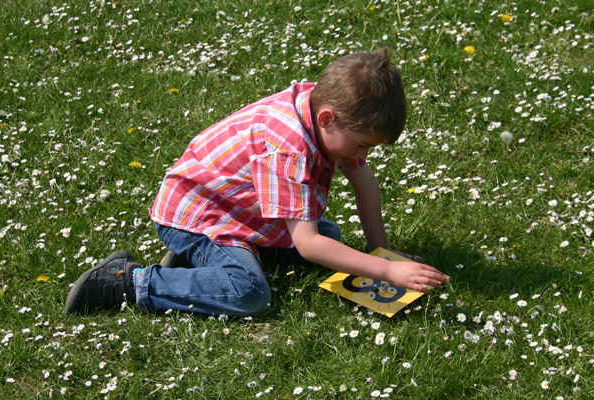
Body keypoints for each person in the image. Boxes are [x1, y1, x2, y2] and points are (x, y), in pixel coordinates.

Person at [65, 49, 449, 316]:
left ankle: (196, 268)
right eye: (362, 145)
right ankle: (125, 281)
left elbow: (364, 182)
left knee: (329, 234)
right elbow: (308, 243)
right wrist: (386, 273)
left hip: (242, 211)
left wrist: (381, 252)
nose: (361, 155)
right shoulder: (288, 146)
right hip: (199, 215)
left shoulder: (328, 114)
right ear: (328, 119)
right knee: (249, 293)